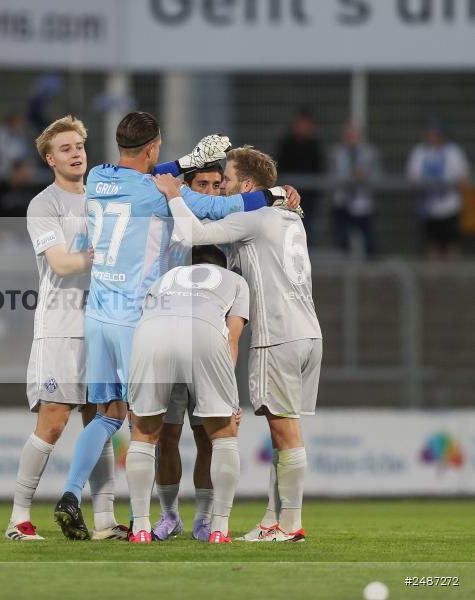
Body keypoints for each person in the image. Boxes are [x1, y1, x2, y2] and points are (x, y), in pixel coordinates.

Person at [53, 112, 277, 541]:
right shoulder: (159, 195)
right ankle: (152, 521)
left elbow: (151, 172)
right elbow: (219, 206)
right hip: (138, 319)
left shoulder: (98, 177)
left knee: (105, 416)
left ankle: (70, 493)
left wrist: (188, 161)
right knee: (146, 428)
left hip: (97, 314)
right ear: (154, 146)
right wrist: (275, 195)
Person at [158, 145, 322, 543]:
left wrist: (174, 194)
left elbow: (194, 232)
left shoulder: (253, 216)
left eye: (228, 181)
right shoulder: (289, 216)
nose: (224, 190)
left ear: (248, 185)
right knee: (281, 432)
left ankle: (292, 525)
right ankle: (272, 519)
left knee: (285, 433)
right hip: (309, 333)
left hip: (277, 335)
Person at [7, 115, 128, 542]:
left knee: (102, 420)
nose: (76, 153)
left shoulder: (103, 197)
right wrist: (105, 257)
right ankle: (19, 518)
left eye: (79, 146)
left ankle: (105, 520)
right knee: (54, 423)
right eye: (65, 149)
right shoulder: (44, 204)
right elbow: (59, 262)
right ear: (49, 158)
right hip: (60, 327)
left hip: (101, 324)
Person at [127, 245, 248, 543]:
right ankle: (216, 527)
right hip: (205, 337)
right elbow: (231, 338)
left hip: (152, 336)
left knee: (145, 434)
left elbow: (144, 320)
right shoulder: (236, 280)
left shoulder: (165, 278)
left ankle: (140, 528)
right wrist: (228, 398)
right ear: (224, 266)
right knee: (220, 434)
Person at [153, 163, 225, 543]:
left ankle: (203, 517)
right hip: (168, 344)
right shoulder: (171, 230)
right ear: (188, 187)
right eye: (203, 184)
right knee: (166, 435)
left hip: (209, 351)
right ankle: (168, 515)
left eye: (217, 185)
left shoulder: (229, 232)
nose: (211, 192)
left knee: (207, 438)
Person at [406, 120, 471, 259]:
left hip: (449, 207)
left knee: (451, 245)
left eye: (436, 134)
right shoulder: (420, 152)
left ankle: (453, 277)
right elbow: (412, 176)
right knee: (432, 245)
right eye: (431, 134)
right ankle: (434, 278)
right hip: (427, 208)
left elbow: (463, 176)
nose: (433, 137)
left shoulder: (453, 152)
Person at [331, 122, 380, 258]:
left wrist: (366, 176)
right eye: (348, 135)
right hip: (342, 202)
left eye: (354, 135)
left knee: (368, 240)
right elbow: (333, 175)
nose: (351, 138)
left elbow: (379, 175)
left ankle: (370, 271)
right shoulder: (337, 153)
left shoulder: (370, 153)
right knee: (342, 240)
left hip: (363, 202)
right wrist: (350, 177)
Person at [276, 108, 323, 245]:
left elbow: (319, 170)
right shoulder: (286, 144)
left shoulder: (314, 145)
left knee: (307, 230)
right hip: (288, 197)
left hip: (309, 198)